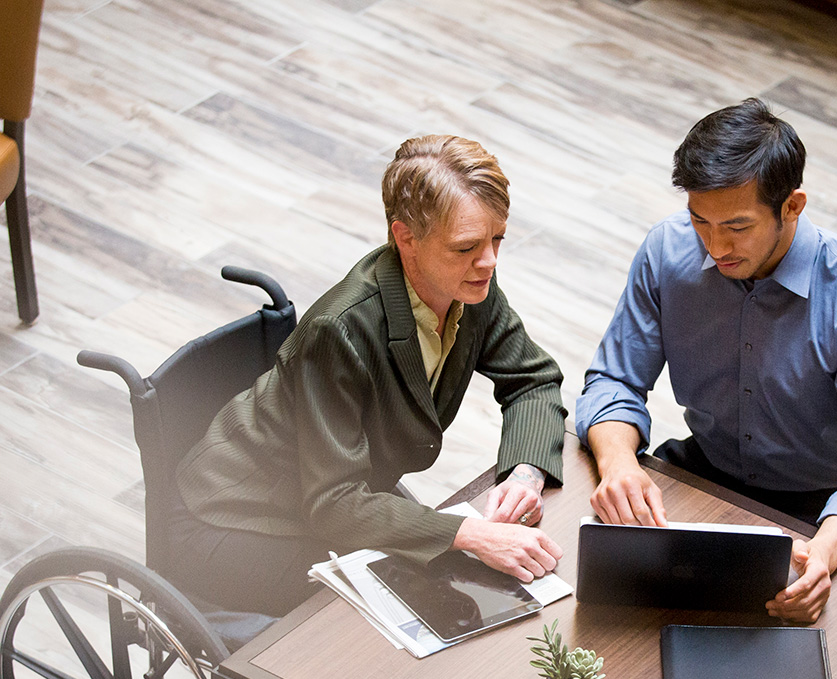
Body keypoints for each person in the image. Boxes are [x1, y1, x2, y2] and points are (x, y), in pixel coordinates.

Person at [168, 135, 565, 618]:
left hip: (333, 494)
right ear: (405, 239)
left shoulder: (468, 281)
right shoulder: (339, 331)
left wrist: (524, 474)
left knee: (448, 585)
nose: (489, 261)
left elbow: (534, 378)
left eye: (497, 238)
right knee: (405, 610)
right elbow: (335, 503)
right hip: (239, 521)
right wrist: (474, 533)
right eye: (466, 247)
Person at [576, 98, 837, 623]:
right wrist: (618, 463)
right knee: (608, 611)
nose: (714, 246)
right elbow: (615, 380)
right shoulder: (668, 251)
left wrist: (822, 554)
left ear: (792, 207)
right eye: (700, 221)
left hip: (816, 509)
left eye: (736, 226)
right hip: (705, 473)